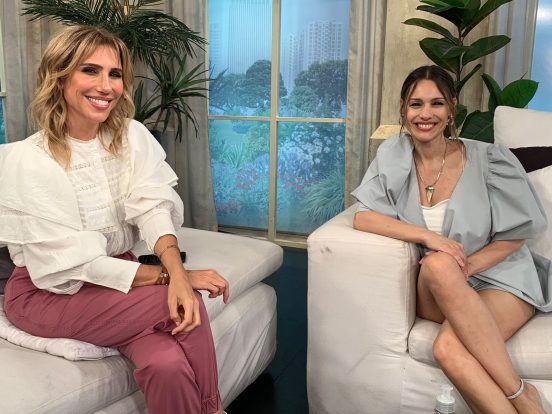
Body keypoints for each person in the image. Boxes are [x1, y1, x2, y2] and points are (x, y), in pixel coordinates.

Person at [0, 25, 229, 414]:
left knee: (166, 364)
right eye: (90, 70)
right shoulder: (30, 160)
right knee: (179, 302)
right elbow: (76, 265)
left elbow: (152, 208)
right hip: (47, 290)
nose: (106, 86)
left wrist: (175, 269)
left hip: (117, 278)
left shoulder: (131, 136)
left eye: (115, 73)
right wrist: (175, 279)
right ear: (59, 76)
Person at [352, 65, 551, 413]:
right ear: (403, 109)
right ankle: (523, 395)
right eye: (415, 104)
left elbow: (515, 237)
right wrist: (429, 237)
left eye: (436, 103)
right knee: (438, 263)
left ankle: (523, 403)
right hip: (437, 286)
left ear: (451, 108)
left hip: (501, 278)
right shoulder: (393, 154)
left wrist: (467, 265)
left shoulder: (489, 158)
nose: (425, 114)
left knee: (448, 349)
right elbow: (363, 217)